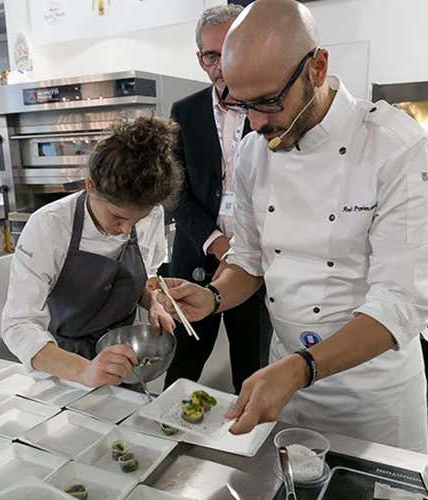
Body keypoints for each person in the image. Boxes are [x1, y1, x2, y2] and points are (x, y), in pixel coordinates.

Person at [158, 0, 428, 453]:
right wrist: (213, 297)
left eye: (269, 101)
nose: (256, 123)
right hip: (285, 384)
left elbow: (400, 303)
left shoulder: (396, 148)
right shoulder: (254, 153)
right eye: (243, 105)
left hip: (370, 397)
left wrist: (301, 368)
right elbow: (249, 260)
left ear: (318, 67)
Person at [1, 116, 180, 388]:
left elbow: (147, 276)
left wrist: (153, 301)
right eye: (118, 217)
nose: (125, 230)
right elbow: (18, 325)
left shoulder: (153, 213)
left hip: (124, 357)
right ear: (90, 185)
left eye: (138, 219)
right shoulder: (49, 225)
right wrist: (84, 371)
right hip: (61, 365)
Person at [164, 4, 271, 394]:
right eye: (211, 55)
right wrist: (218, 243)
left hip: (256, 266)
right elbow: (175, 192)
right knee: (183, 367)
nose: (222, 64)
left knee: (252, 368)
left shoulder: (270, 109)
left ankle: (249, 430)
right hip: (194, 257)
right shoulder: (184, 111)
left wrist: (241, 250)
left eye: (229, 51)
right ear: (200, 60)